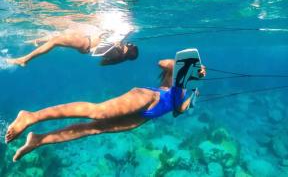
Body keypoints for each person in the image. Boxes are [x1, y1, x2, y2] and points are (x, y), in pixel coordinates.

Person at [5, 59, 206, 162]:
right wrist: (187, 66)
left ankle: (39, 140)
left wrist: (192, 99)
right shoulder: (176, 74)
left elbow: (177, 110)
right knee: (98, 112)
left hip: (144, 117)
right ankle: (31, 116)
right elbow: (162, 63)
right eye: (199, 70)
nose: (199, 73)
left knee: (95, 129)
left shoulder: (184, 88)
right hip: (148, 97)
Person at [6, 27, 138, 67]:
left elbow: (103, 50)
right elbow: (102, 62)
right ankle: (37, 41)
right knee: (60, 35)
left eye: (130, 45)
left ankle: (24, 59)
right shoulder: (119, 54)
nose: (128, 44)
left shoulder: (118, 52)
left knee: (56, 41)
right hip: (86, 41)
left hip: (86, 43)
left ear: (130, 49)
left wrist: (126, 33)